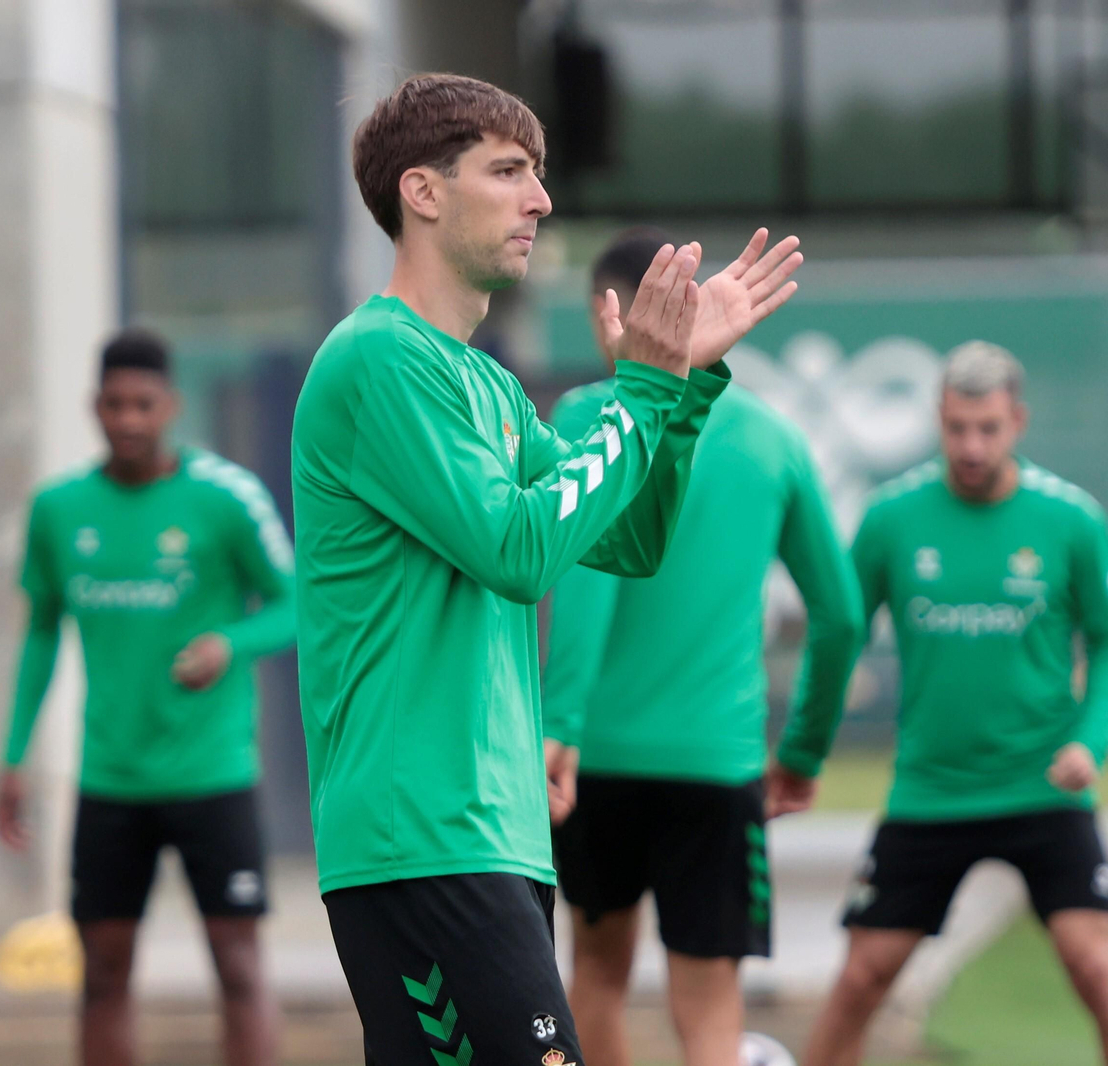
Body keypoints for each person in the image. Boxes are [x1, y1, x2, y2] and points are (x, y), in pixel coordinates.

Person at [290, 74, 802, 1066]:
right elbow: (519, 551)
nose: (541, 200)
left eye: (539, 174)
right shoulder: (380, 360)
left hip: (492, 833)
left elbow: (624, 541)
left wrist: (676, 395)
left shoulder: (481, 378)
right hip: (422, 835)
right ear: (422, 193)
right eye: (510, 170)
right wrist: (644, 389)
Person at [541, 227, 864, 1066]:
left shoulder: (581, 418)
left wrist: (562, 723)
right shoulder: (771, 437)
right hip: (715, 767)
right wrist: (803, 751)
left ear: (606, 310)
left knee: (597, 978)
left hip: (595, 764)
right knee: (710, 1011)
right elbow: (839, 616)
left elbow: (585, 588)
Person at [0, 329, 297, 1066]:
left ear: (173, 406)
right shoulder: (60, 510)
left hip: (212, 773)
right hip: (110, 779)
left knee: (238, 967)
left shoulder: (226, 497)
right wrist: (13, 758)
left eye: (143, 403)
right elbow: (40, 634)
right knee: (101, 975)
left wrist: (233, 643)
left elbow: (299, 603)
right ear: (92, 407)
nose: (127, 419)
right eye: (113, 404)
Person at [802, 342, 1108, 1066]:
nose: (972, 446)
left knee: (1094, 966)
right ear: (938, 419)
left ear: (1018, 422)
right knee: (860, 976)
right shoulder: (891, 518)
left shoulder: (1071, 522)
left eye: (989, 429)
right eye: (957, 428)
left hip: (1041, 786)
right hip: (930, 791)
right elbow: (837, 629)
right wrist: (802, 752)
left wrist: (1087, 745)